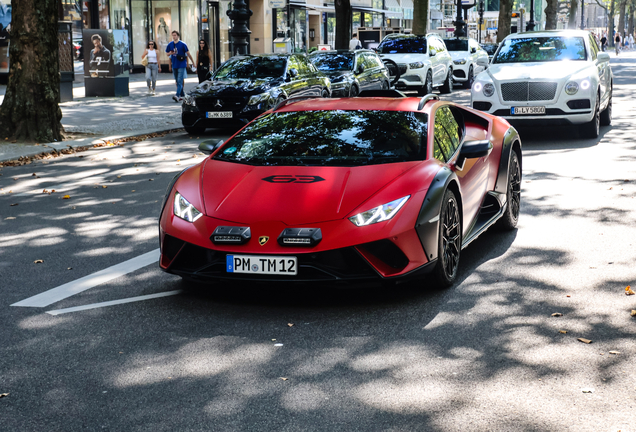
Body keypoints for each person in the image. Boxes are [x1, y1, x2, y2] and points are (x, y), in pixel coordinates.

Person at [165, 30, 194, 102]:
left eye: (175, 35)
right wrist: (171, 53)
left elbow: (188, 54)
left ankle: (177, 95)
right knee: (177, 80)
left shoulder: (183, 44)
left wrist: (192, 62)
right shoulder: (170, 44)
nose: (174, 37)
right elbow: (167, 54)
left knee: (179, 80)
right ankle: (183, 95)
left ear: (178, 36)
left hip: (181, 64)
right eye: (173, 35)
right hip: (174, 64)